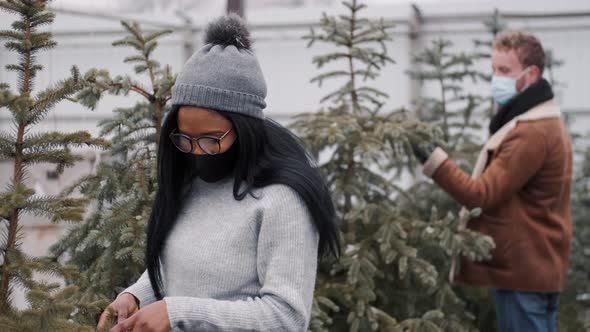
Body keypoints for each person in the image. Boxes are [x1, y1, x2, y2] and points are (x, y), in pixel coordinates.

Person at [97, 15, 340, 332]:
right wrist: (137, 295)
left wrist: (178, 311)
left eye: (211, 140)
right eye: (185, 139)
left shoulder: (283, 200)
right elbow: (180, 267)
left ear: (244, 129)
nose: (196, 152)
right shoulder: (192, 183)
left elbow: (286, 317)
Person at [411, 31, 572, 332]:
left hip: (524, 272)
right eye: (494, 70)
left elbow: (480, 195)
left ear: (531, 74)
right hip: (534, 268)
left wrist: (432, 160)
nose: (496, 79)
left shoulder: (532, 132)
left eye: (505, 71)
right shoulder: (539, 122)